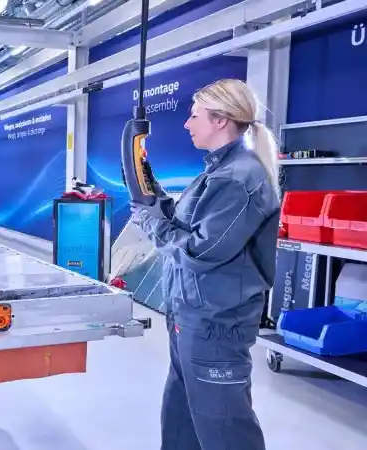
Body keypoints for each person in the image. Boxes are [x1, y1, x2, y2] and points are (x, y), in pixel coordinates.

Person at [129, 79, 280, 450]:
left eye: (194, 116)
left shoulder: (238, 178)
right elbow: (186, 224)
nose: (186, 124)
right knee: (180, 420)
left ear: (221, 120)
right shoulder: (216, 172)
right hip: (190, 315)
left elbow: (201, 251)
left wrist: (149, 221)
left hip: (215, 324)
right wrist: (152, 195)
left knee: (224, 429)